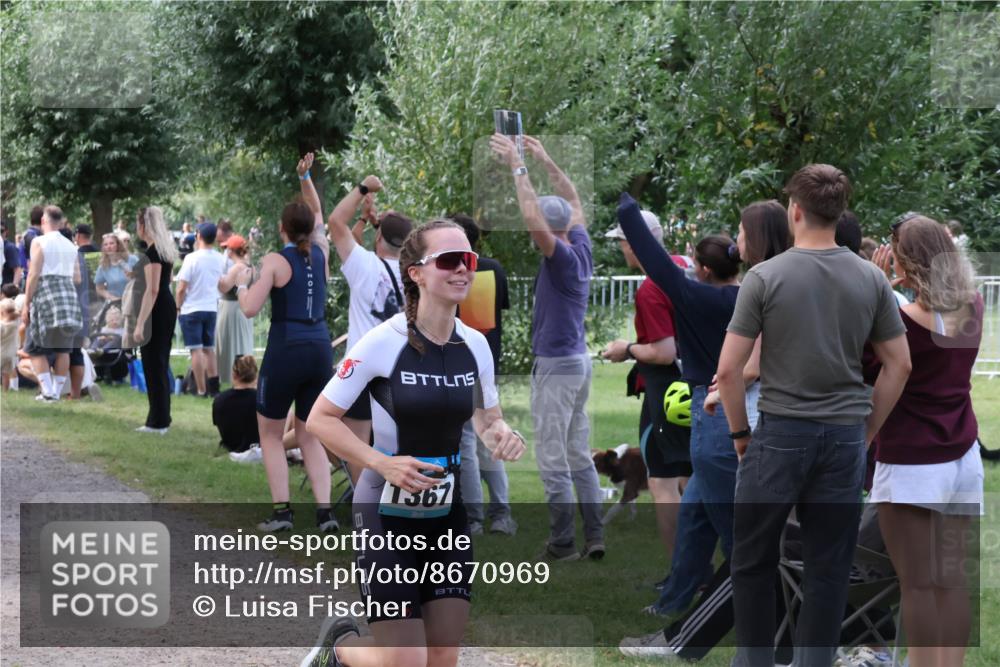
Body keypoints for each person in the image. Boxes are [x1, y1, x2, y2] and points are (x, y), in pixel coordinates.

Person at [304, 219, 526, 667]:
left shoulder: (475, 345)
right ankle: (338, 650)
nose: (463, 269)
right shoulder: (382, 342)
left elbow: (488, 419)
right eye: (449, 260)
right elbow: (319, 419)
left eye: (469, 260)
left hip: (446, 513)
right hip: (384, 512)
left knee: (441, 656)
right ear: (416, 273)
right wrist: (380, 463)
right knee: (404, 660)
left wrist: (503, 435)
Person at [716, 164, 911, 667]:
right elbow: (900, 364)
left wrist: (740, 435)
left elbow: (729, 371)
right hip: (843, 438)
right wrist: (867, 429)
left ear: (795, 210)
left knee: (752, 560)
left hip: (780, 432)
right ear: (839, 211)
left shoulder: (765, 276)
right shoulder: (871, 277)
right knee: (828, 569)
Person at [617, 196, 788, 617]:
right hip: (742, 408)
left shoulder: (697, 298)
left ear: (703, 269)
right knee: (694, 516)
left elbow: (654, 261)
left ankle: (759, 612)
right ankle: (674, 601)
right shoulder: (766, 292)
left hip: (717, 415)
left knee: (736, 534)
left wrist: (626, 210)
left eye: (743, 230)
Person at [867, 214, 983, 667]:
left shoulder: (899, 322)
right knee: (951, 583)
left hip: (913, 462)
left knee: (916, 586)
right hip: (963, 456)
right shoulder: (973, 305)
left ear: (907, 262)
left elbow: (865, 363)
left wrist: (876, 290)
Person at [490, 133, 605, 560]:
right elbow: (572, 198)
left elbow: (532, 216)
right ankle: (595, 535)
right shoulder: (582, 245)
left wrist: (518, 165)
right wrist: (546, 160)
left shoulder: (562, 258)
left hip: (557, 367)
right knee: (578, 454)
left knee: (554, 457)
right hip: (578, 363)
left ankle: (562, 543)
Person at [233, 152, 335, 533]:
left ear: (282, 229)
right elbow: (318, 212)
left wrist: (241, 284)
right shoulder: (322, 251)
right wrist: (305, 178)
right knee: (310, 434)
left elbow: (249, 309)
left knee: (271, 435)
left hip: (287, 349)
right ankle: (325, 514)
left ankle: (282, 513)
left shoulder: (276, 261)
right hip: (320, 348)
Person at [602, 209, 689, 560]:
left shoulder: (652, 288)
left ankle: (682, 575)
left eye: (623, 241)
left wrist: (627, 349)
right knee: (689, 478)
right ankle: (701, 572)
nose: (622, 248)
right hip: (697, 386)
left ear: (637, 242)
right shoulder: (686, 265)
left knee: (662, 483)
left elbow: (664, 352)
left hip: (667, 394)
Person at [326, 174, 412, 471]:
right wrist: (374, 223)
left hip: (362, 368)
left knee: (355, 445)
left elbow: (336, 222)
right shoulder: (416, 273)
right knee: (400, 444)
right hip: (401, 368)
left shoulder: (364, 265)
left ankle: (364, 502)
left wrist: (363, 188)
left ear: (378, 238)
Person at [452, 212, 517, 536]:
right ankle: (501, 513)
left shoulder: (454, 275)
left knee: (466, 441)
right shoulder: (495, 270)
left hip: (459, 367)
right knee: (491, 438)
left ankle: (474, 518)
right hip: (487, 367)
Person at [20, 206, 81, 402]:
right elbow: (77, 278)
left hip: (46, 294)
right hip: (68, 295)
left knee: (34, 346)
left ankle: (47, 391)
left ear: (43, 221)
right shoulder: (71, 245)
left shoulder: (39, 241)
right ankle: (55, 392)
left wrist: (26, 303)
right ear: (61, 222)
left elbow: (33, 274)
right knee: (63, 348)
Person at [132, 206, 179, 434]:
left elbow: (152, 290)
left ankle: (158, 421)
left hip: (157, 309)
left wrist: (140, 323)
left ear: (144, 225)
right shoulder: (163, 251)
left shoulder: (153, 253)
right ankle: (159, 417)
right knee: (158, 363)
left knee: (154, 364)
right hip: (165, 306)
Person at [176, 221, 226, 397]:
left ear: (198, 236)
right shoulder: (219, 258)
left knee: (196, 350)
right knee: (209, 349)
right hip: (211, 307)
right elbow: (221, 283)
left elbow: (182, 288)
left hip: (192, 308)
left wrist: (178, 306)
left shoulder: (192, 258)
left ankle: (201, 389)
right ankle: (214, 388)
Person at [216, 234, 255, 388]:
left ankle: (233, 374)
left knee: (233, 343)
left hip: (232, 308)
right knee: (241, 342)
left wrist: (218, 275)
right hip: (242, 308)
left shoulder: (237, 267)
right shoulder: (250, 265)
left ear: (231, 250)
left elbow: (224, 287)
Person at [212, 354, 261, 453]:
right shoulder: (261, 399)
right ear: (256, 375)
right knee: (288, 414)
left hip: (230, 446)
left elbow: (217, 423)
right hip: (257, 447)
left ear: (234, 374)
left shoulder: (219, 399)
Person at [94, 233, 136, 304]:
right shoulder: (103, 266)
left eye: (111, 243)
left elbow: (144, 279)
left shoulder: (132, 259)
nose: (109, 246)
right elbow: (99, 288)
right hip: (116, 303)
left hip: (134, 301)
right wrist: (111, 297)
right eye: (105, 244)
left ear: (118, 245)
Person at [1, 297, 18, 390]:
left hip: (1, 352)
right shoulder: (15, 324)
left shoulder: (2, 326)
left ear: (2, 312)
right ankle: (5, 391)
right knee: (5, 374)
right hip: (11, 354)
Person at [2, 220, 23, 287]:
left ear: (6, 232)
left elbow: (17, 270)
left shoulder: (9, 248)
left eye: (1, 231)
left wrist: (13, 287)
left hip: (5, 288)